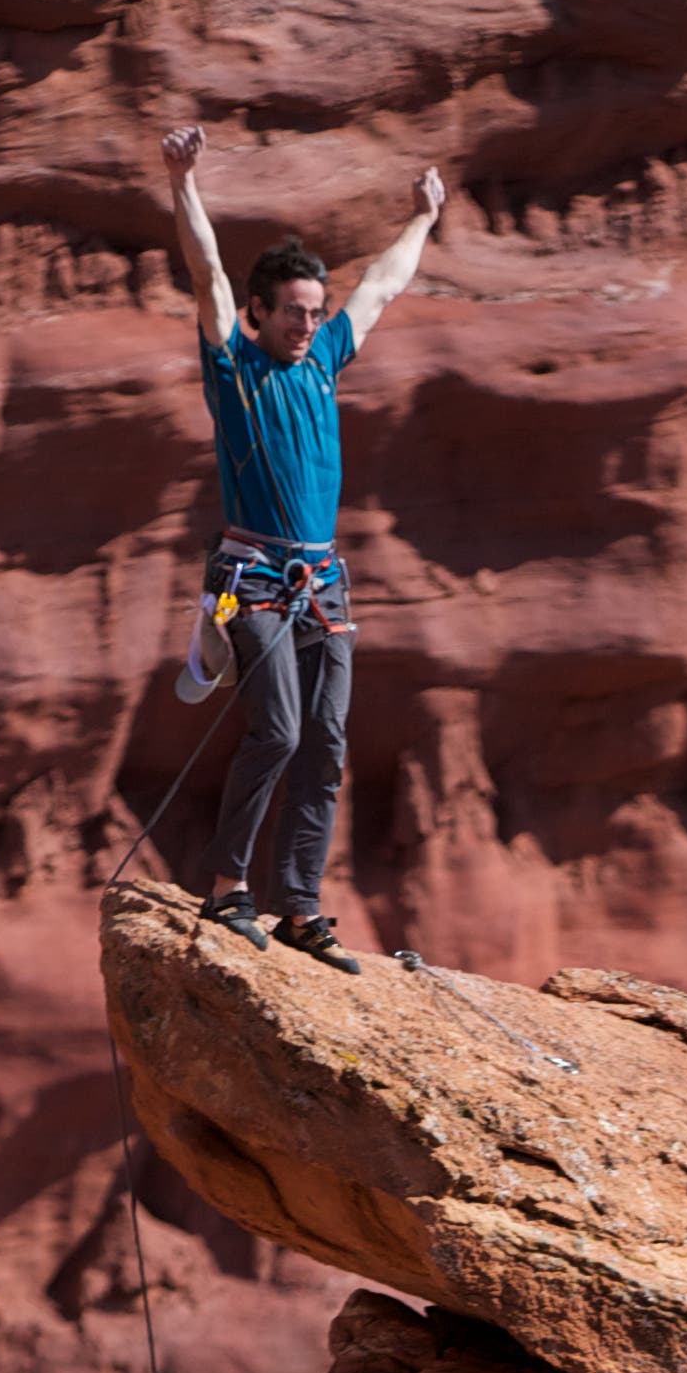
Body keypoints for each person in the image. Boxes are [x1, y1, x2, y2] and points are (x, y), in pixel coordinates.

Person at [155, 124, 447, 965]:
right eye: (294, 313)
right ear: (259, 312)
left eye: (316, 314)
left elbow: (384, 288)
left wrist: (424, 219)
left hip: (322, 582)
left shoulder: (322, 363)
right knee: (277, 731)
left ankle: (298, 908)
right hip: (249, 577)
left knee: (325, 746)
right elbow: (206, 271)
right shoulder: (237, 367)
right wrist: (184, 183)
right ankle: (226, 892)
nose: (309, 327)